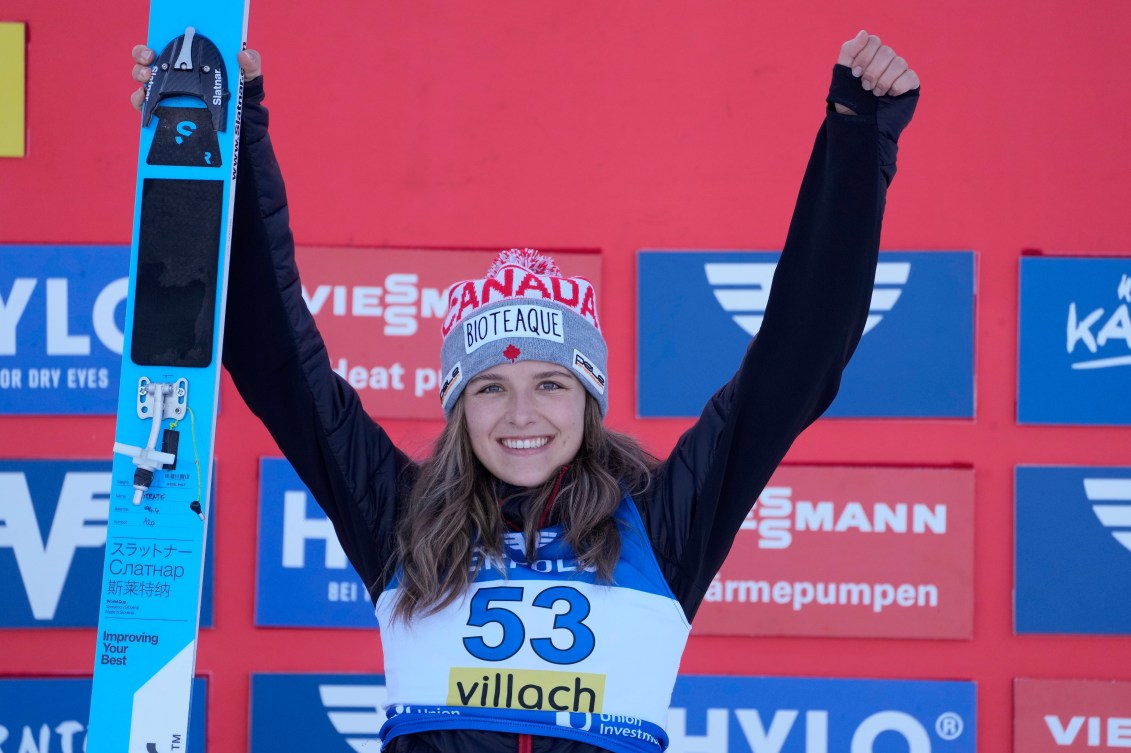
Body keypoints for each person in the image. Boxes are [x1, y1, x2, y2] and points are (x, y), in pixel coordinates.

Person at [131, 29, 918, 753]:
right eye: (488, 388)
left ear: (588, 399)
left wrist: (855, 139)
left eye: (549, 382)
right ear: (456, 406)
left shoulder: (662, 521)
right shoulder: (399, 515)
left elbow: (797, 357)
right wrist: (223, 143)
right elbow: (277, 360)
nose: (520, 415)